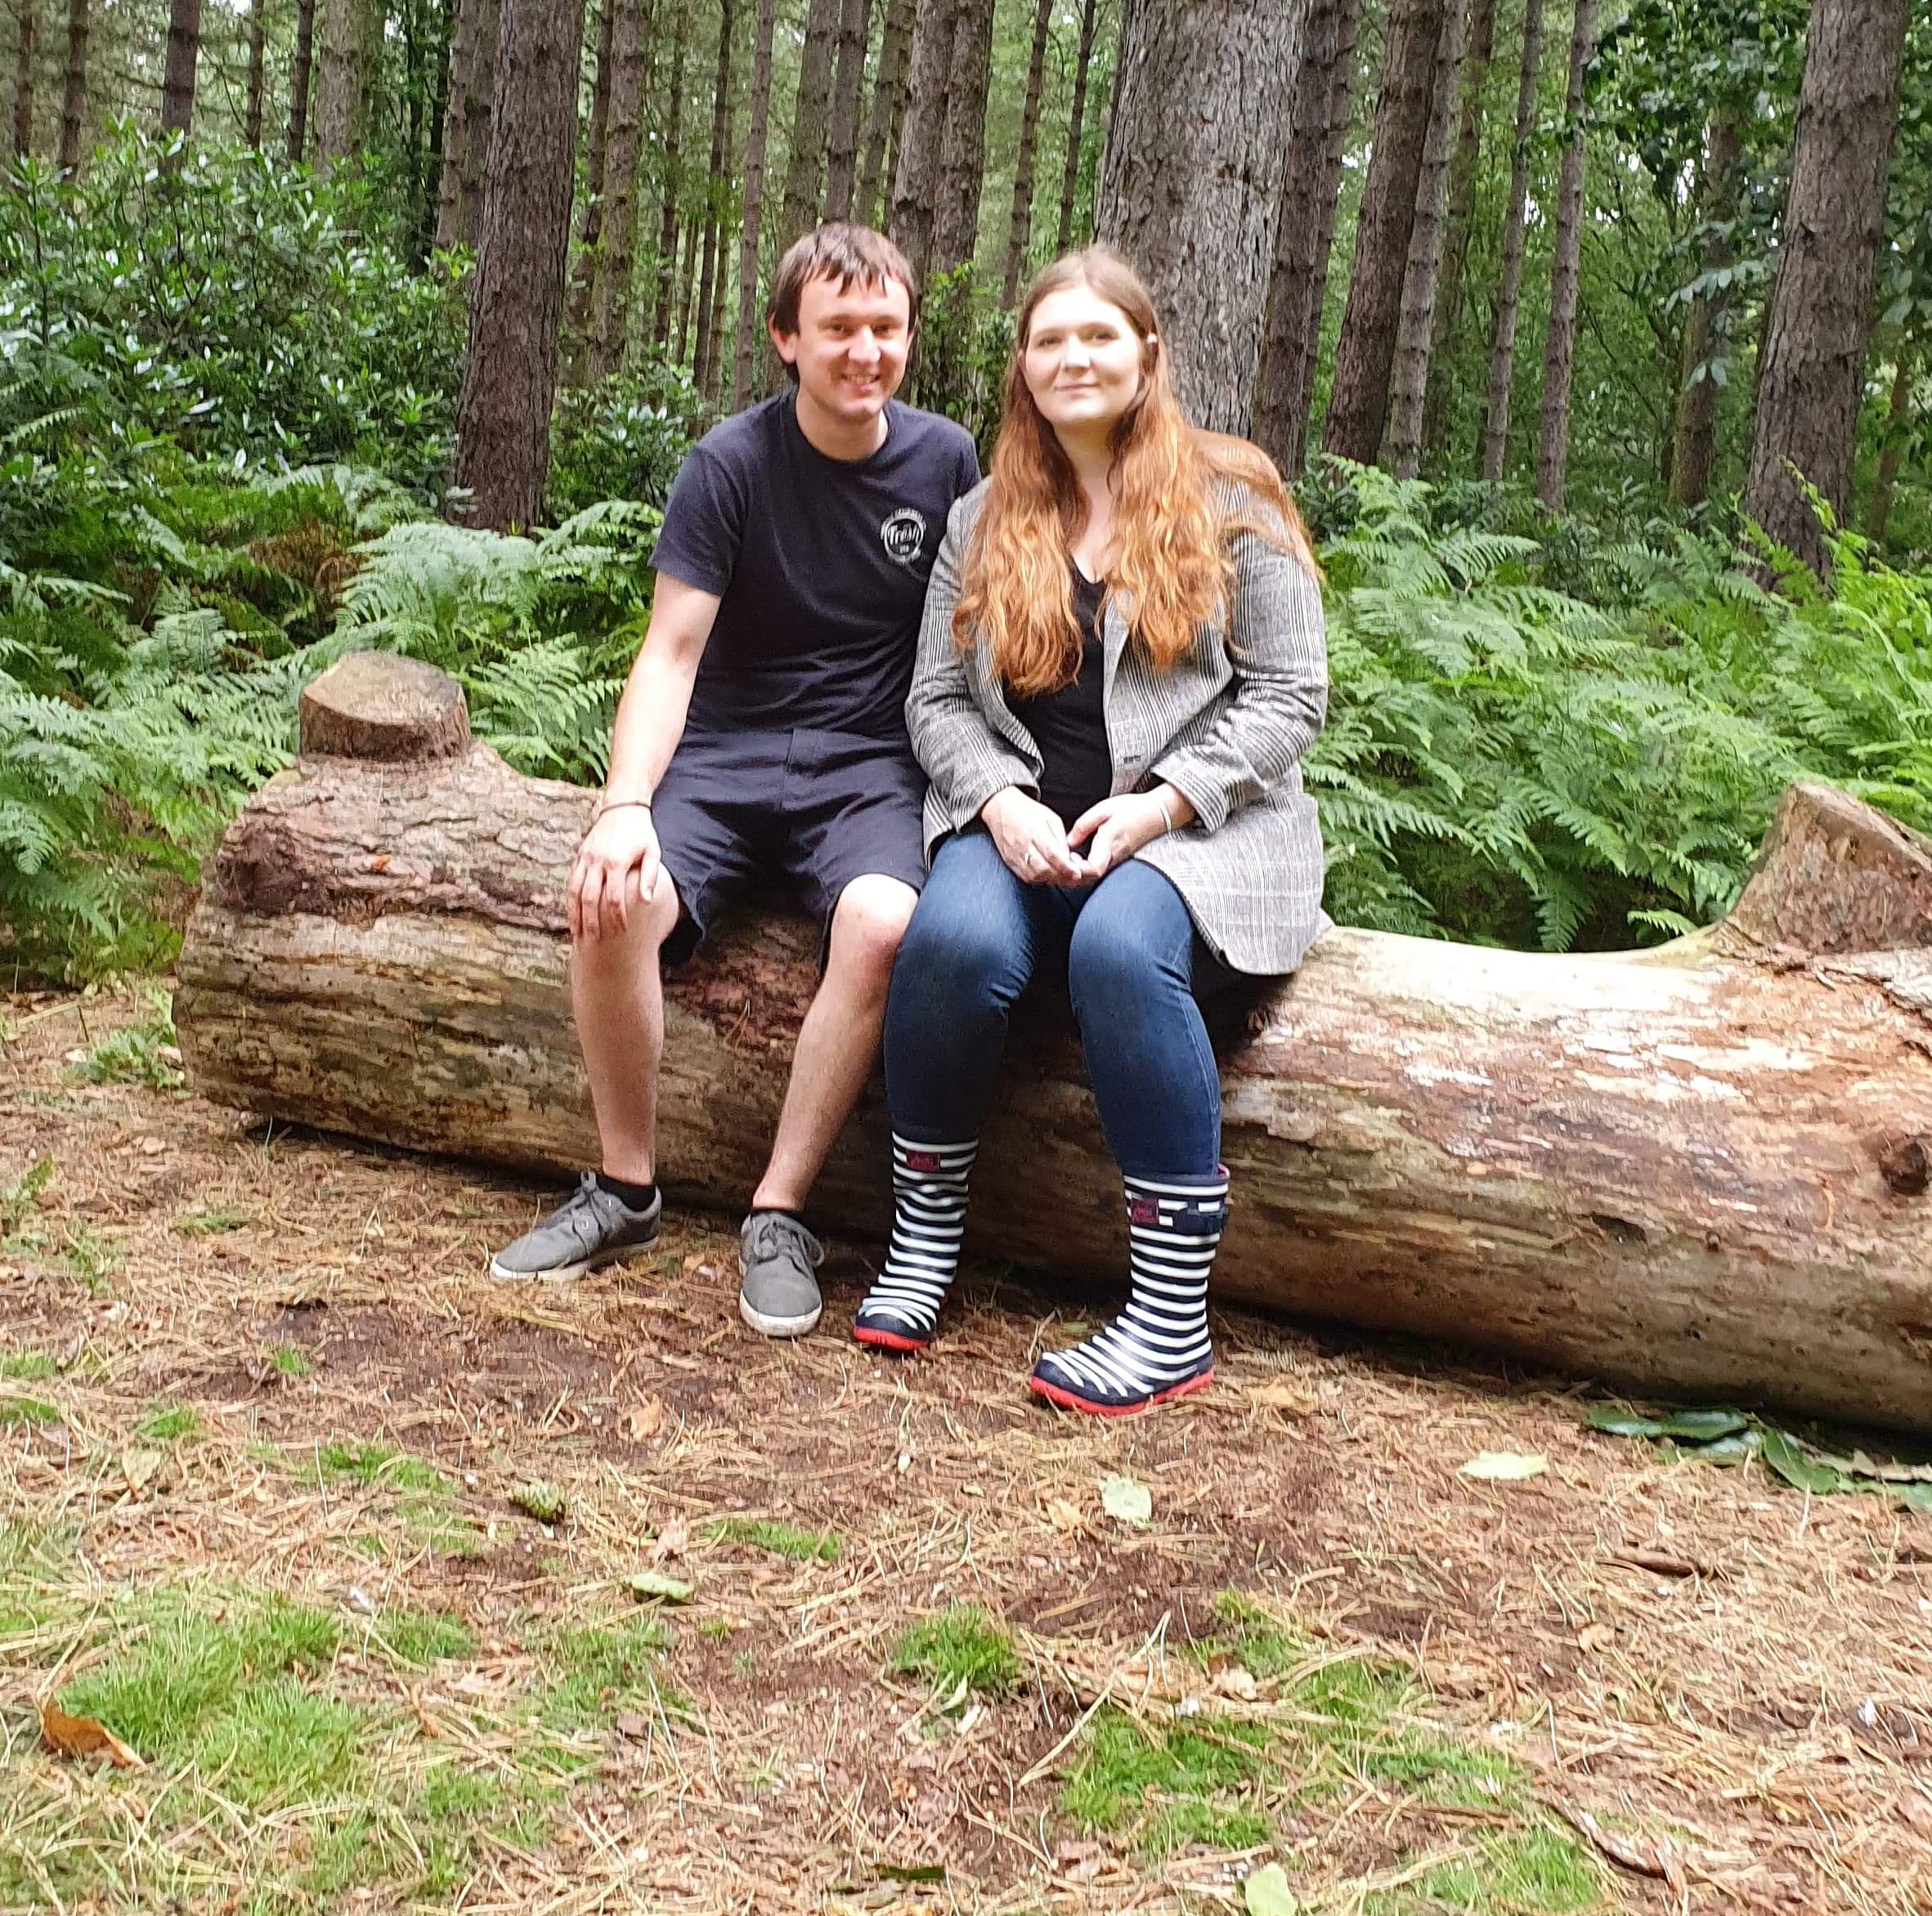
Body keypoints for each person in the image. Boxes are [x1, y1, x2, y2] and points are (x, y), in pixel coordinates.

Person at [854, 246, 1329, 1412]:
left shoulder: (1236, 498)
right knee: (949, 943)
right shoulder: (984, 515)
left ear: (1146, 355)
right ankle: (924, 1243)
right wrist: (999, 802)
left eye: (1099, 337)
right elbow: (934, 699)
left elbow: (1291, 696)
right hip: (1022, 821)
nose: (1074, 359)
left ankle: (1170, 1320)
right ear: (1023, 365)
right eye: (1050, 340)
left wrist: (1163, 803)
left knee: (1120, 947)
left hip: (1201, 829)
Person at [494, 223, 979, 1335]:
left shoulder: (947, 463)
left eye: (886, 327)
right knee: (613, 898)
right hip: (726, 752)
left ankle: (779, 1211)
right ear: (785, 339)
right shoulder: (730, 465)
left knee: (884, 924)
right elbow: (669, 652)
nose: (865, 351)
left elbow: (976, 640)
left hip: (869, 765)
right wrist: (623, 806)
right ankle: (625, 1189)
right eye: (838, 327)